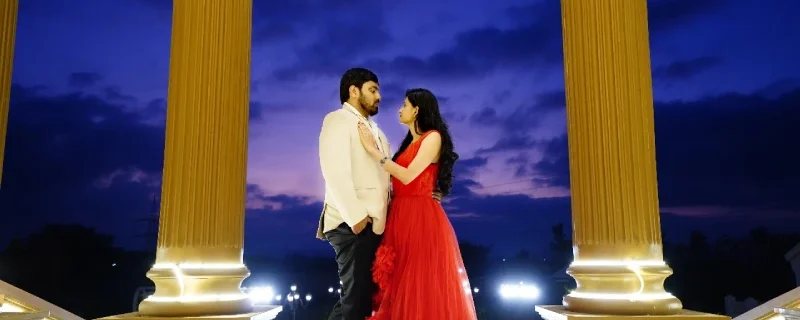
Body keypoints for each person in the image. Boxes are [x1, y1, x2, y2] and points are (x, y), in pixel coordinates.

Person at [316, 68, 441, 320]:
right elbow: (334, 172)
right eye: (373, 90)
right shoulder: (338, 120)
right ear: (354, 91)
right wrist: (357, 218)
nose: (379, 96)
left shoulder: (377, 131)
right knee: (355, 302)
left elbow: (385, 178)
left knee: (362, 300)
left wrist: (422, 193)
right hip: (352, 225)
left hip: (375, 227)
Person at [357, 88, 478, 320]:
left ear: (417, 110)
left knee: (419, 282)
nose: (400, 109)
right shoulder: (408, 144)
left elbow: (407, 175)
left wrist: (373, 151)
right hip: (400, 215)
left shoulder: (433, 136)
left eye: (404, 105)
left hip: (421, 218)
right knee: (400, 281)